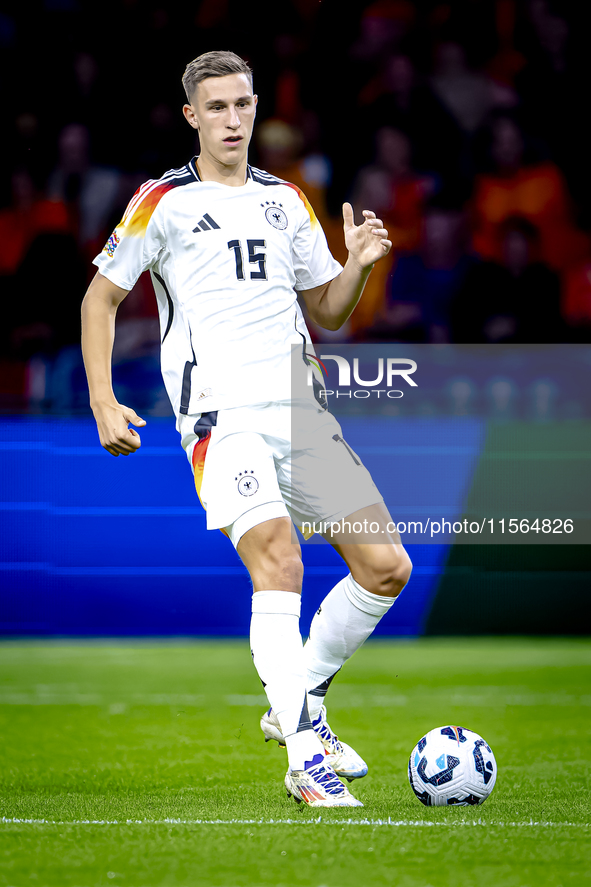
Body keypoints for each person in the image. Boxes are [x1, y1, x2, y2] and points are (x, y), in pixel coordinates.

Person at [81, 51, 412, 808]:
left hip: (300, 411)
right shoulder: (159, 201)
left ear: (255, 107)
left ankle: (302, 701)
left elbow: (325, 310)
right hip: (219, 415)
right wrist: (103, 398)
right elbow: (97, 300)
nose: (232, 120)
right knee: (278, 560)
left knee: (387, 566)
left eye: (242, 105)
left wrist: (357, 265)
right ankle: (303, 755)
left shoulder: (286, 200)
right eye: (217, 108)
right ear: (192, 116)